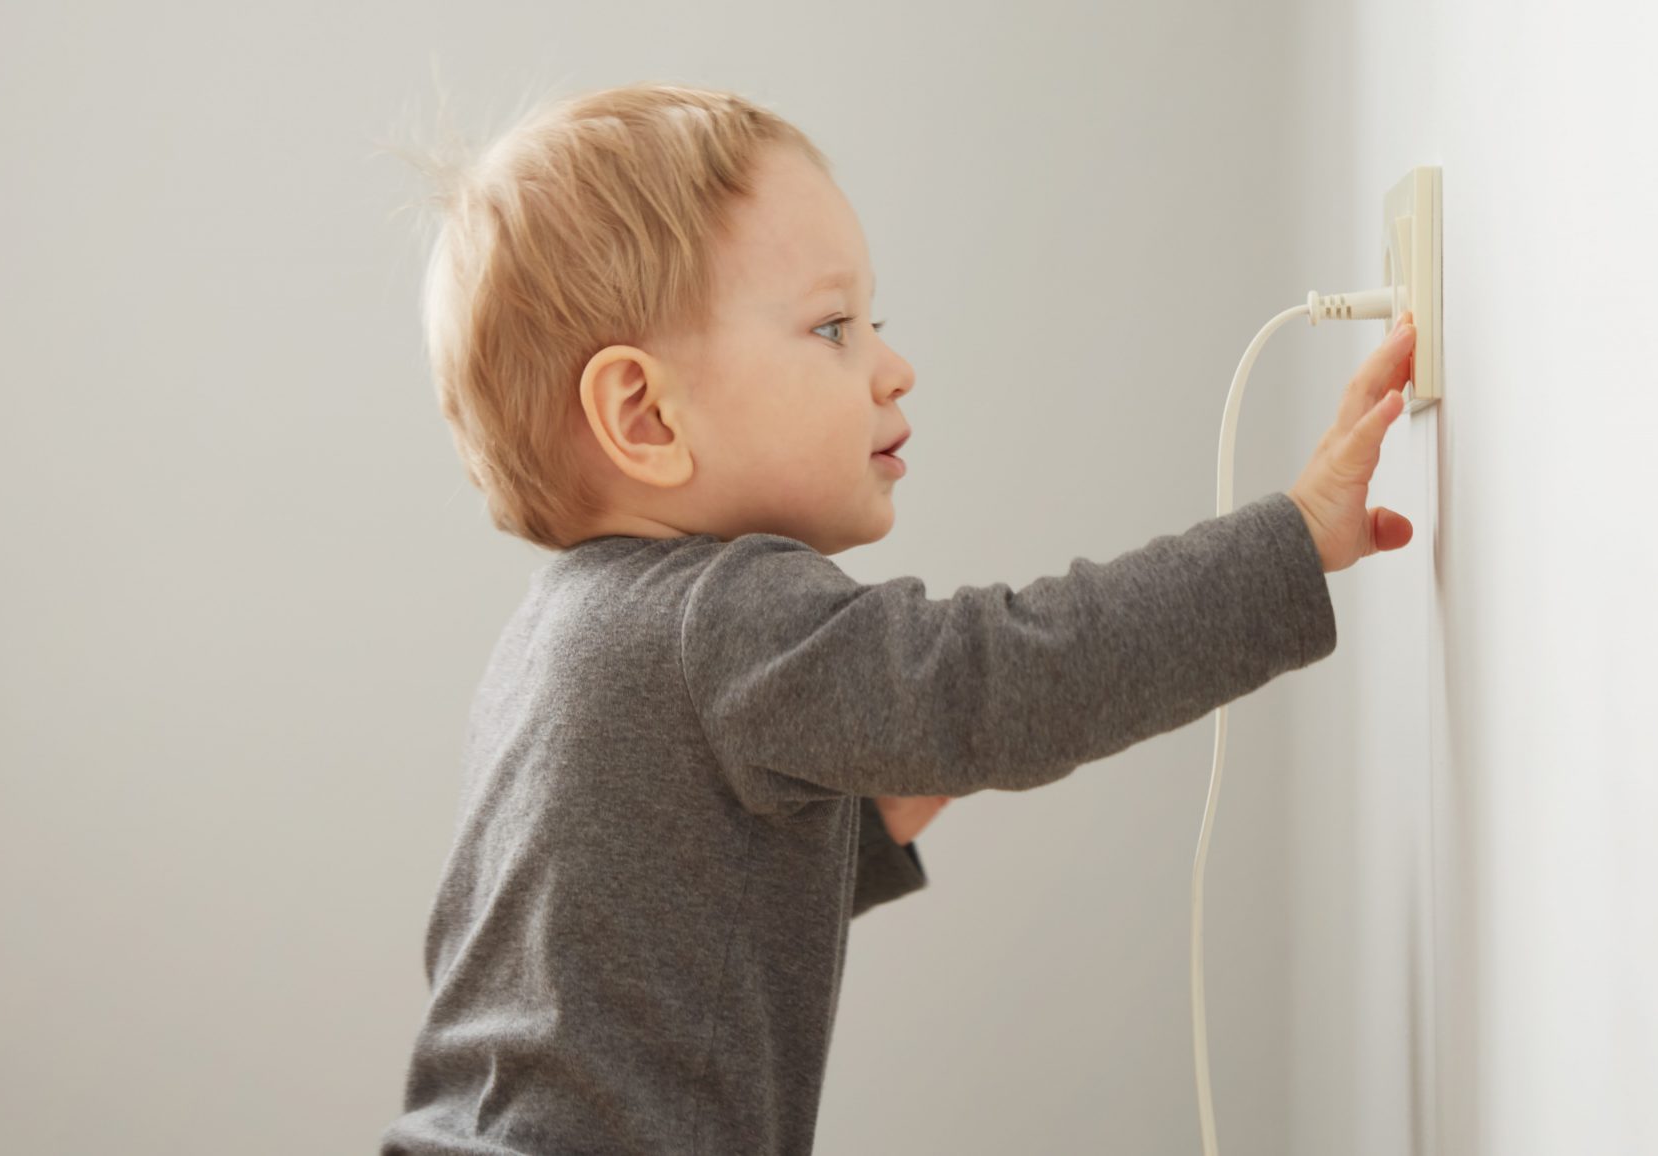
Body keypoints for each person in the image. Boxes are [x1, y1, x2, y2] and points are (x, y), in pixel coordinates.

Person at [378, 81, 1416, 1155]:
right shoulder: (723, 613)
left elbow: (651, 923)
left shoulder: (553, 635)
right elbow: (1005, 679)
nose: (892, 364)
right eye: (833, 326)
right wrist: (1289, 541)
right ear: (643, 416)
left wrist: (871, 827)